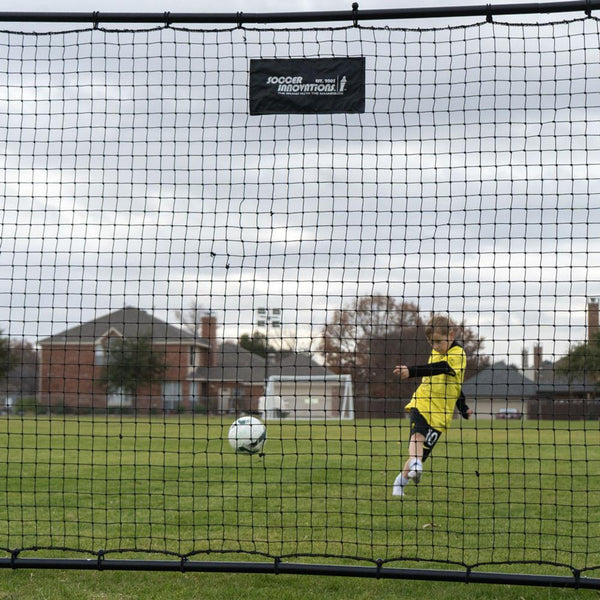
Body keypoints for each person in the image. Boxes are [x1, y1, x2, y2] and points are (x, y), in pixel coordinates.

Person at [392, 315, 472, 497]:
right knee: (417, 436)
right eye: (431, 342)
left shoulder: (458, 355)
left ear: (451, 335)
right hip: (422, 402)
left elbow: (450, 380)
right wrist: (412, 372)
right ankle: (414, 467)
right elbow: (434, 372)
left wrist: (463, 407)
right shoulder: (436, 351)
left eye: (438, 342)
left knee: (420, 456)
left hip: (440, 414)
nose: (435, 346)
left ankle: (400, 484)